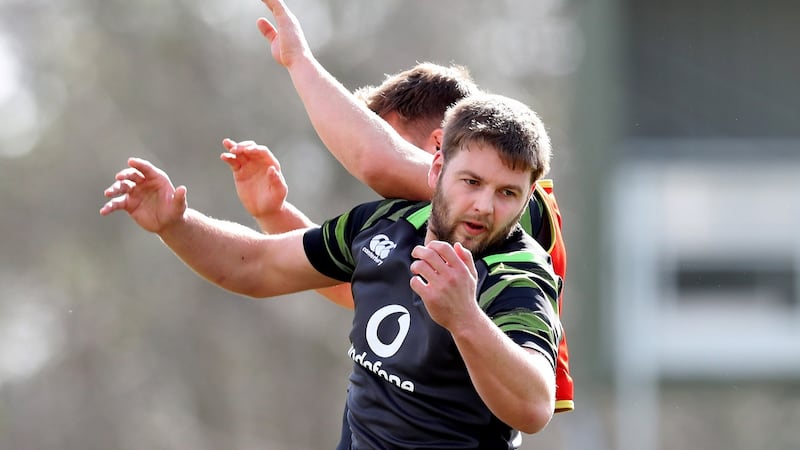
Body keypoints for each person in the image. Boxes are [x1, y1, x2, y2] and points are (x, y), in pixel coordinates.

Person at [100, 93, 563, 448]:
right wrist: (176, 225)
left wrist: (465, 318)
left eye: (507, 193)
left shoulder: (516, 275)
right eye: (472, 182)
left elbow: (535, 405)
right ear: (437, 166)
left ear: (526, 198)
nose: (484, 205)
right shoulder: (386, 224)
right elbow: (257, 266)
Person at [230, 0, 575, 414]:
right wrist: (275, 215)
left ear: (438, 144)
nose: (395, 204)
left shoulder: (518, 201)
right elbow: (362, 285)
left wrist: (299, 61)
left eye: (396, 142)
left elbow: (375, 160)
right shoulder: (446, 220)